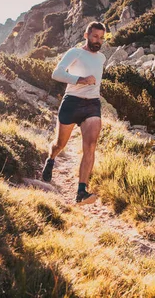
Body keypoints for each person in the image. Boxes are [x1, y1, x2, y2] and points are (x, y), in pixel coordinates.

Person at [42, 21, 107, 205]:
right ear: (86, 35)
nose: (98, 41)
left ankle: (81, 191)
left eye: (101, 38)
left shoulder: (101, 57)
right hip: (72, 102)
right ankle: (51, 158)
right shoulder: (75, 53)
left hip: (93, 105)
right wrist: (80, 79)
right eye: (95, 36)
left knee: (91, 145)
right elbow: (57, 73)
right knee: (60, 144)